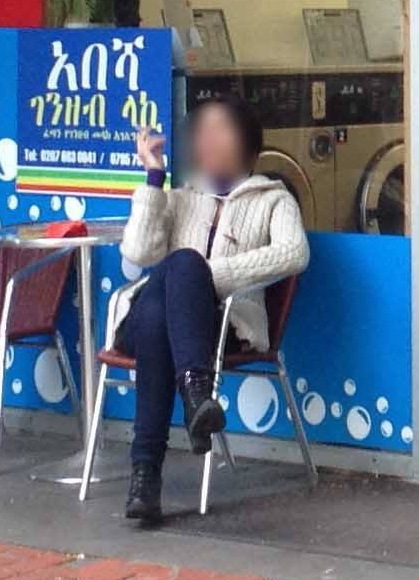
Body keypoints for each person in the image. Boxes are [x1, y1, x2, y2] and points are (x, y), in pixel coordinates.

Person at [112, 93, 311, 528]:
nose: (208, 140)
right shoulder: (182, 196)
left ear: (249, 146)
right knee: (173, 278)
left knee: (177, 286)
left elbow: (294, 254)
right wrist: (153, 178)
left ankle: (145, 477)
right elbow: (138, 254)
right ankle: (197, 396)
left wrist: (204, 277)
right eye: (203, 131)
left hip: (223, 326)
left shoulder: (274, 201)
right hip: (158, 326)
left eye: (221, 130)